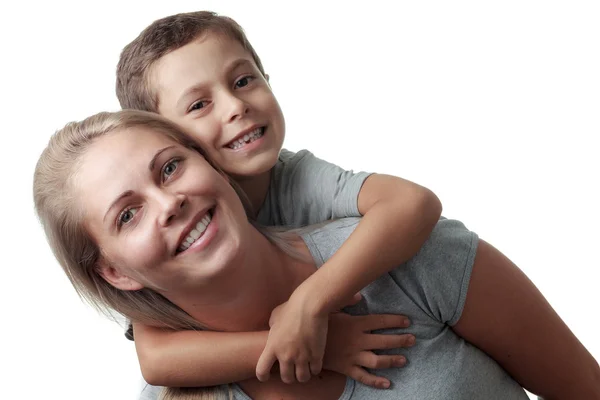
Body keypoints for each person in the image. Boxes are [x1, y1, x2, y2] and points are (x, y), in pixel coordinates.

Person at [33, 110, 600, 399]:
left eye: (170, 167)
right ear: (113, 271)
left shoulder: (409, 258)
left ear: (209, 161)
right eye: (127, 215)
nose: (170, 202)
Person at [116, 10, 443, 390]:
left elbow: (413, 204)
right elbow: (156, 361)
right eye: (198, 105)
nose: (236, 106)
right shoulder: (171, 227)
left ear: (267, 80)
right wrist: (322, 344)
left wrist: (309, 303)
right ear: (163, 139)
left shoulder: (295, 177)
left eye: (243, 80)